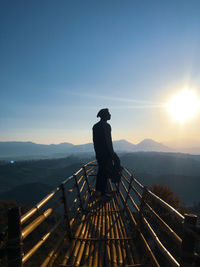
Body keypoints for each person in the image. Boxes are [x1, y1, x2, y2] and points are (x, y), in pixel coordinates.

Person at [93, 108, 118, 197]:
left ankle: (99, 191)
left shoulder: (95, 126)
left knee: (101, 172)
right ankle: (103, 193)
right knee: (105, 172)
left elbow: (95, 142)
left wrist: (97, 153)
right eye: (108, 114)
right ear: (104, 115)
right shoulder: (106, 126)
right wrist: (112, 154)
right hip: (106, 153)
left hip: (99, 154)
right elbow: (108, 141)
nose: (110, 115)